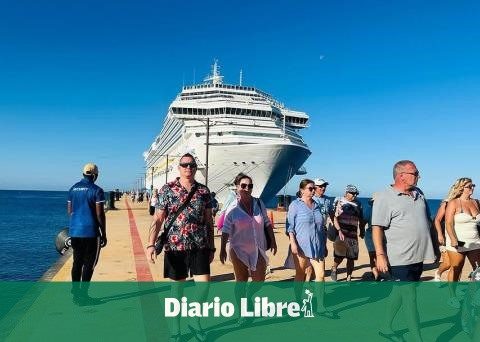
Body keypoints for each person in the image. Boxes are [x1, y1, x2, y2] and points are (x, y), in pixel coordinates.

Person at [147, 153, 214, 341]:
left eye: (192, 165)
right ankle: (176, 329)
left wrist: (212, 247)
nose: (188, 168)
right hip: (175, 246)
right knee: (177, 291)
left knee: (204, 287)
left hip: (199, 245)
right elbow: (158, 218)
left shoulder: (203, 191)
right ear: (179, 167)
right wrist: (151, 244)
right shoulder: (167, 189)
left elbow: (209, 221)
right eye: (185, 165)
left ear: (195, 167)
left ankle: (194, 319)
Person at [372, 160, 435, 341]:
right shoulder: (385, 196)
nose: (418, 176)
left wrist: (436, 248)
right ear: (401, 176)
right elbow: (377, 227)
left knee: (399, 293)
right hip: (399, 257)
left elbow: (426, 221)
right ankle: (417, 338)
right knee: (410, 298)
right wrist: (380, 255)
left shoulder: (419, 194)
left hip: (419, 255)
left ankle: (385, 327)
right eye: (415, 173)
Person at [220, 173, 277, 281]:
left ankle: (249, 297)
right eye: (243, 186)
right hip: (238, 249)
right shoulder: (232, 208)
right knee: (242, 280)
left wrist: (273, 241)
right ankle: (242, 298)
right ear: (237, 187)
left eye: (250, 186)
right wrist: (222, 249)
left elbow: (267, 223)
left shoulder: (259, 203)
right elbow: (226, 230)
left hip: (258, 248)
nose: (247, 188)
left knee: (259, 281)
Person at [287, 179, 331, 315]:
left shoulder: (317, 206)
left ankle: (321, 306)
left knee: (321, 275)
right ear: (302, 190)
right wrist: (293, 243)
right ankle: (298, 300)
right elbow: (290, 226)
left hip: (317, 245)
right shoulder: (295, 205)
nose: (314, 191)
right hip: (301, 245)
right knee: (300, 275)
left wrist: (324, 244)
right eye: (311, 188)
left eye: (314, 189)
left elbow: (321, 227)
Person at [67, 163, 107, 304]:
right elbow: (100, 214)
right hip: (91, 233)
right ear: (95, 175)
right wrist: (104, 233)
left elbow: (70, 211)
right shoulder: (97, 190)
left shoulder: (73, 189)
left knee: (77, 262)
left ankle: (76, 292)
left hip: (75, 231)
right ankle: (83, 296)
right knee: (89, 265)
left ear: (83, 174)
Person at [444, 178, 480, 308]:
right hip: (458, 241)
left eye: (473, 185)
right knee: (456, 268)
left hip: (475, 241)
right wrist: (453, 239)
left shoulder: (476, 202)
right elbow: (448, 223)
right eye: (469, 186)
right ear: (461, 188)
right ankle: (452, 296)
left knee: (478, 270)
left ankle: (475, 295)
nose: (472, 188)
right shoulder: (453, 203)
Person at [330, 185, 364, 282]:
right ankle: (334, 268)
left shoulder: (358, 203)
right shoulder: (339, 201)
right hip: (341, 233)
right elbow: (334, 217)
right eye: (352, 193)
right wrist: (339, 230)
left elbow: (361, 219)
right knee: (339, 256)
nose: (354, 195)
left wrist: (362, 230)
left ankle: (348, 278)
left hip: (353, 234)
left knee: (351, 257)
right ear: (346, 193)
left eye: (356, 194)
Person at [433, 183, 457, 281]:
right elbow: (437, 220)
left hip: (457, 236)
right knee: (448, 263)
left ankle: (454, 284)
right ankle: (438, 272)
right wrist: (439, 234)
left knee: (456, 263)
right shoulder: (446, 203)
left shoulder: (462, 203)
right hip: (444, 235)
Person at [364, 194, 379, 280]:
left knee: (374, 255)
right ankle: (376, 274)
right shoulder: (370, 209)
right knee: (374, 255)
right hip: (371, 235)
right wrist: (362, 231)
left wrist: (362, 231)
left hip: (373, 235)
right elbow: (363, 221)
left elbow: (363, 222)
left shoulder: (370, 209)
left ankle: (375, 273)